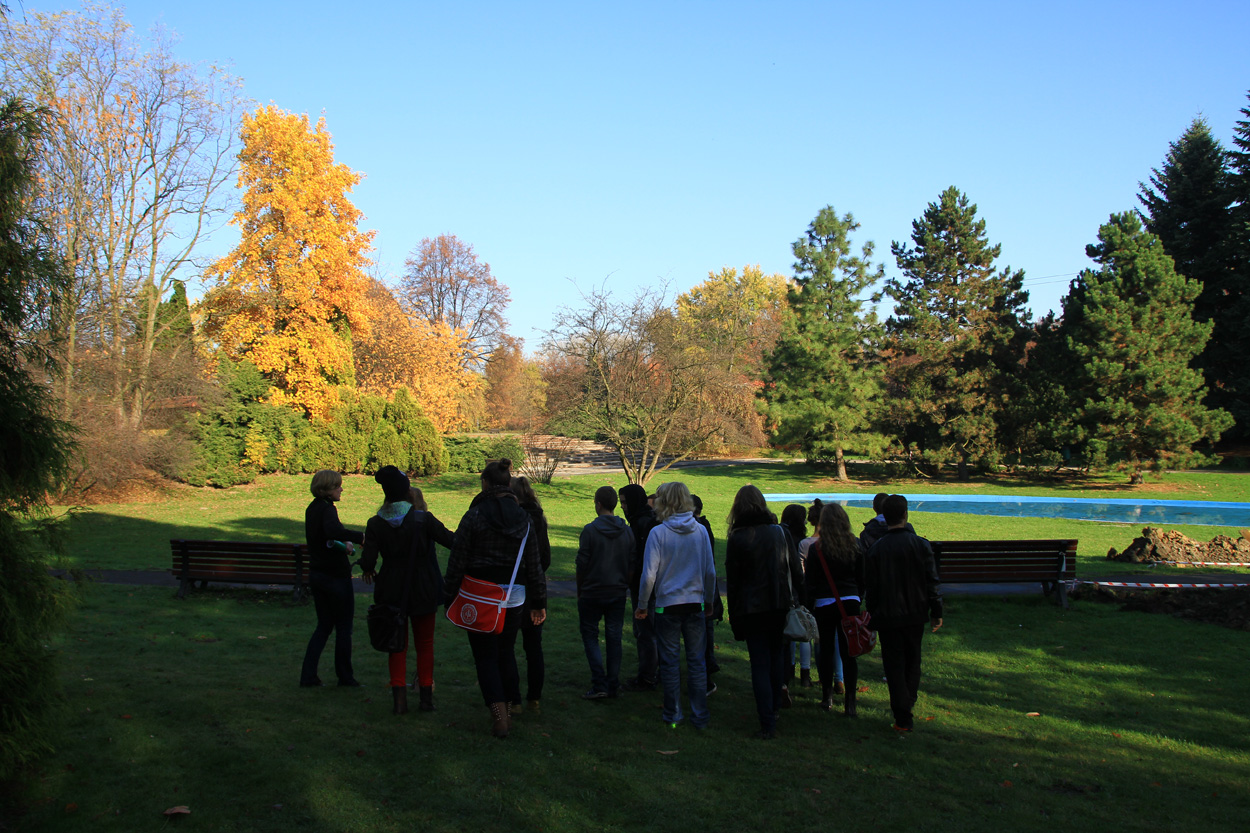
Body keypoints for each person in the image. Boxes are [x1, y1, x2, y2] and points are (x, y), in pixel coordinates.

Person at [445, 459, 546, 738]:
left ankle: (500, 717)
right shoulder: (524, 518)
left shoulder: (475, 515)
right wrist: (539, 601)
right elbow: (534, 564)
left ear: (485, 483)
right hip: (514, 594)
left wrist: (449, 594)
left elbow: (457, 558)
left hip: (480, 594)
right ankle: (510, 707)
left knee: (485, 656)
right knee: (506, 651)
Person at [359, 467, 455, 715]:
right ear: (406, 491)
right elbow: (451, 541)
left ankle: (399, 701)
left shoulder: (375, 523)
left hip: (391, 587)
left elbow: (368, 560)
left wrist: (368, 569)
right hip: (423, 586)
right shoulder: (423, 519)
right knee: (425, 644)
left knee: (396, 644)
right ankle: (426, 699)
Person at [635, 481, 717, 730]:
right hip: (694, 603)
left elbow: (649, 575)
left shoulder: (658, 533)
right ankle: (700, 715)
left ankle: (673, 714)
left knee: (670, 663)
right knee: (697, 662)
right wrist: (708, 600)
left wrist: (642, 604)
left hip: (667, 605)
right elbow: (710, 572)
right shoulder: (700, 531)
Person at [725, 485, 804, 739]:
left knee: (760, 663)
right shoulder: (779, 533)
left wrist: (735, 616)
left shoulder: (738, 537)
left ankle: (767, 719)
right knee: (775, 656)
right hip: (778, 604)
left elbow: (733, 582)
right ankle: (774, 708)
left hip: (752, 608)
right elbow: (796, 571)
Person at [862, 494, 943, 732]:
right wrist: (936, 609)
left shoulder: (877, 549)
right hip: (915, 611)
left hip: (888, 614)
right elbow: (932, 581)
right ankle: (908, 701)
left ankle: (902, 712)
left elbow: (872, 587)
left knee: (894, 665)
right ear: (905, 515)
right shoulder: (920, 545)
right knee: (913, 659)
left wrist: (872, 612)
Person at [300, 470, 365, 688]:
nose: (341, 489)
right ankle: (345, 676)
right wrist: (360, 537)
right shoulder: (328, 509)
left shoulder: (312, 508)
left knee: (324, 626)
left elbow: (324, 537)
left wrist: (342, 543)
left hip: (317, 573)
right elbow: (333, 530)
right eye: (337, 486)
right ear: (327, 489)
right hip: (335, 576)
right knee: (344, 627)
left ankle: (308, 675)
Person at [574, 485, 637, 699]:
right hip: (616, 591)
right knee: (614, 637)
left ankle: (599, 682)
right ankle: (612, 683)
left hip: (592, 590)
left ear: (598, 504)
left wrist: (580, 589)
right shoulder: (626, 531)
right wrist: (624, 584)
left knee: (590, 636)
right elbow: (631, 563)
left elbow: (581, 564)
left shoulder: (590, 531)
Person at [805, 503, 865, 716]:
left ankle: (827, 696)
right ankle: (850, 702)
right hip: (850, 600)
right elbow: (861, 577)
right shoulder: (855, 545)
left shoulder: (817, 549)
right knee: (849, 652)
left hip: (825, 602)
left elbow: (811, 581)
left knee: (826, 650)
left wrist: (809, 604)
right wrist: (858, 596)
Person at [510, 475, 551, 714]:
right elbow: (545, 557)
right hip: (535, 588)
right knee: (534, 647)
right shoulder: (538, 518)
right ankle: (534, 698)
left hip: (514, 586)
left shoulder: (514, 519)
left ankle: (514, 700)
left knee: (507, 647)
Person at [619, 483, 660, 692]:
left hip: (644, 585)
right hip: (646, 584)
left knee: (645, 631)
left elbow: (641, 559)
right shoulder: (645, 520)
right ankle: (652, 672)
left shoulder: (641, 524)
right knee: (647, 631)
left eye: (625, 502)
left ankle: (647, 676)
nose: (622, 507)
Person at [780, 503, 814, 690]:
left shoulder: (783, 538)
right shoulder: (803, 541)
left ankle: (790, 669)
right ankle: (805, 673)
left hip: (787, 588)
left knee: (790, 629)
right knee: (804, 629)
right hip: (799, 588)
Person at [691, 494, 722, 693]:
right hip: (705, 587)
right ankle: (708, 666)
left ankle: (706, 671)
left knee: (702, 632)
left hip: (699, 588)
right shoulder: (704, 527)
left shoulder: (700, 528)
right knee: (705, 630)